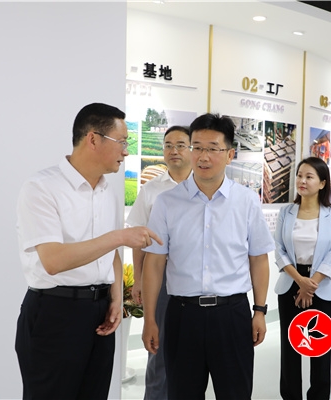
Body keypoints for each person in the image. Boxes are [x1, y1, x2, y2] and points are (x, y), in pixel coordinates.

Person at [15, 103, 162, 400]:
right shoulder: (42, 187)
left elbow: (111, 251)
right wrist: (119, 236)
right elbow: (53, 261)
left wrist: (116, 298)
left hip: (100, 313)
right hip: (55, 312)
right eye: (122, 142)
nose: (126, 152)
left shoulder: (107, 191)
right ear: (93, 139)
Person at [141, 113, 275, 400]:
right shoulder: (167, 202)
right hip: (182, 315)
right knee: (182, 393)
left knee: (235, 393)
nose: (203, 156)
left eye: (212, 148)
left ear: (229, 155)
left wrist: (260, 311)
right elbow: (154, 263)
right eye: (197, 147)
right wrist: (150, 318)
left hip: (232, 315)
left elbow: (258, 258)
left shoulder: (246, 201)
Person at [125, 126, 192, 400]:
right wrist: (139, 279)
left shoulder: (205, 186)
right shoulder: (151, 190)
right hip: (160, 277)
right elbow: (139, 238)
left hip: (194, 279)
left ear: (192, 149)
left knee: (193, 352)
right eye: (168, 145)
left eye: (180, 144)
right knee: (159, 347)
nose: (173, 150)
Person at [274, 157, 331, 400]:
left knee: (320, 349)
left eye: (309, 177)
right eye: (299, 175)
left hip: (321, 287)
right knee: (290, 349)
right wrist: (300, 281)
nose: (302, 181)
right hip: (291, 284)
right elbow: (279, 250)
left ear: (323, 183)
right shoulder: (286, 212)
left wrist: (310, 284)